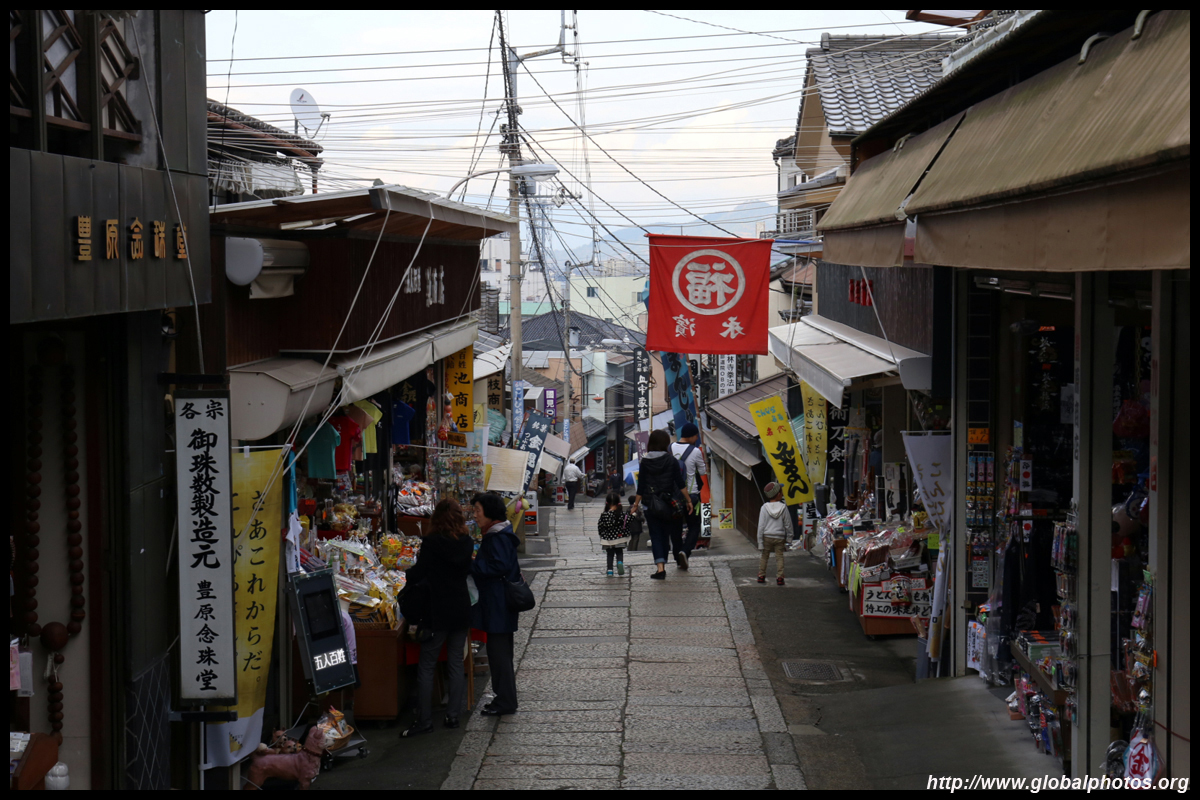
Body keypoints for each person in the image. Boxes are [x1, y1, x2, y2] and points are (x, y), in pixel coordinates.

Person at [400, 499, 474, 737]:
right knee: (455, 662)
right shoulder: (466, 543)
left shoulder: (431, 543)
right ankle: (453, 716)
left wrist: (406, 574)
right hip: (460, 606)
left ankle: (424, 720)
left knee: (427, 664)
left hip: (436, 608)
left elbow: (418, 573)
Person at [470, 492, 521, 715]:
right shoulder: (499, 533)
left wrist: (472, 566)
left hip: (498, 604)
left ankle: (505, 701)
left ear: (490, 513)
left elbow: (498, 566)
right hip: (500, 603)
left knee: (499, 655)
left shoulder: (497, 536)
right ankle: (504, 698)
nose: (475, 516)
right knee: (501, 654)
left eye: (477, 511)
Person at [630, 429, 691, 579]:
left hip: (650, 504)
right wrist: (688, 500)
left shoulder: (645, 461)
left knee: (656, 535)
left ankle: (660, 568)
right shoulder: (671, 460)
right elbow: (680, 483)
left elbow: (641, 486)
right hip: (668, 504)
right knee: (665, 534)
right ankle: (666, 561)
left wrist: (635, 504)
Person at [670, 422, 707, 560]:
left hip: (674, 496)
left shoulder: (669, 448)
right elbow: (702, 471)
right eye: (696, 436)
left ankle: (677, 556)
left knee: (675, 527)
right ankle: (685, 551)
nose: (696, 438)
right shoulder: (696, 451)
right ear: (691, 436)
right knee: (694, 526)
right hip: (692, 495)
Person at [757, 482, 796, 585]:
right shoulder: (783, 507)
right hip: (780, 537)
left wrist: (760, 542)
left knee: (764, 556)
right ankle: (780, 577)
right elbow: (788, 524)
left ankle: (761, 575)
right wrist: (789, 539)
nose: (782, 493)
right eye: (781, 492)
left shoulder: (764, 507)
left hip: (767, 536)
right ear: (778, 494)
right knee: (779, 557)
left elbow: (761, 526)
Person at [597, 492, 631, 576]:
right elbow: (628, 521)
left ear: (607, 503)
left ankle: (610, 570)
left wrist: (602, 535)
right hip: (620, 538)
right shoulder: (622, 514)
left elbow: (600, 526)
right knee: (619, 552)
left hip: (608, 539)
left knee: (610, 554)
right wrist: (633, 514)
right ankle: (620, 562)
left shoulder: (604, 515)